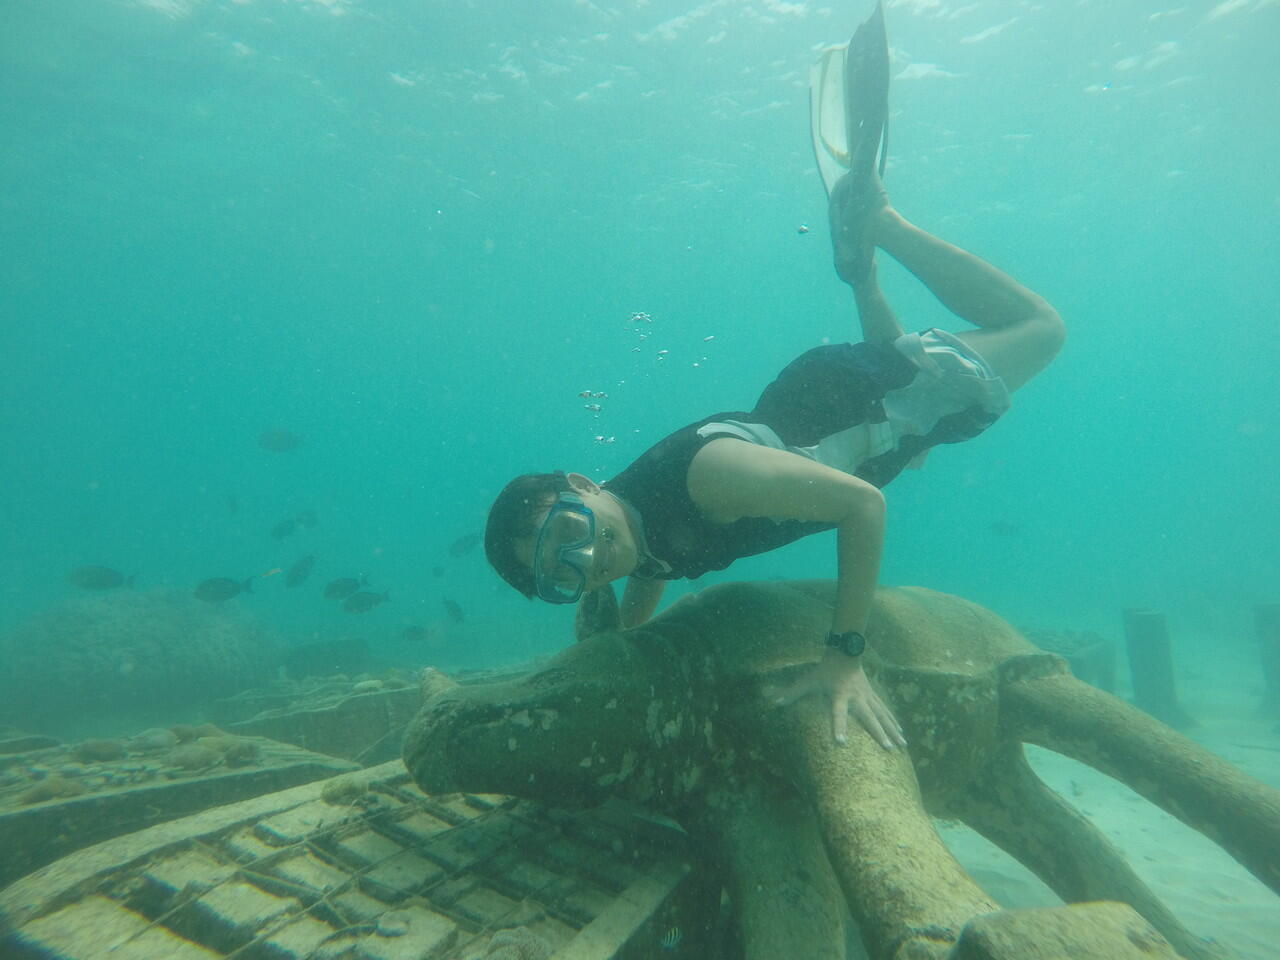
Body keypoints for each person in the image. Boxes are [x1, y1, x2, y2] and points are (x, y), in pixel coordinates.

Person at [483, 3, 1064, 750]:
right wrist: (625, 639)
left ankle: (881, 225)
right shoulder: (632, 530)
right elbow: (654, 559)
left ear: (583, 484)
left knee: (1040, 332)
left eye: (570, 532)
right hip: (824, 413)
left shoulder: (707, 477)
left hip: (847, 407)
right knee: (899, 409)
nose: (588, 561)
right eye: (564, 575)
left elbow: (860, 510)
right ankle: (862, 274)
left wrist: (843, 657)